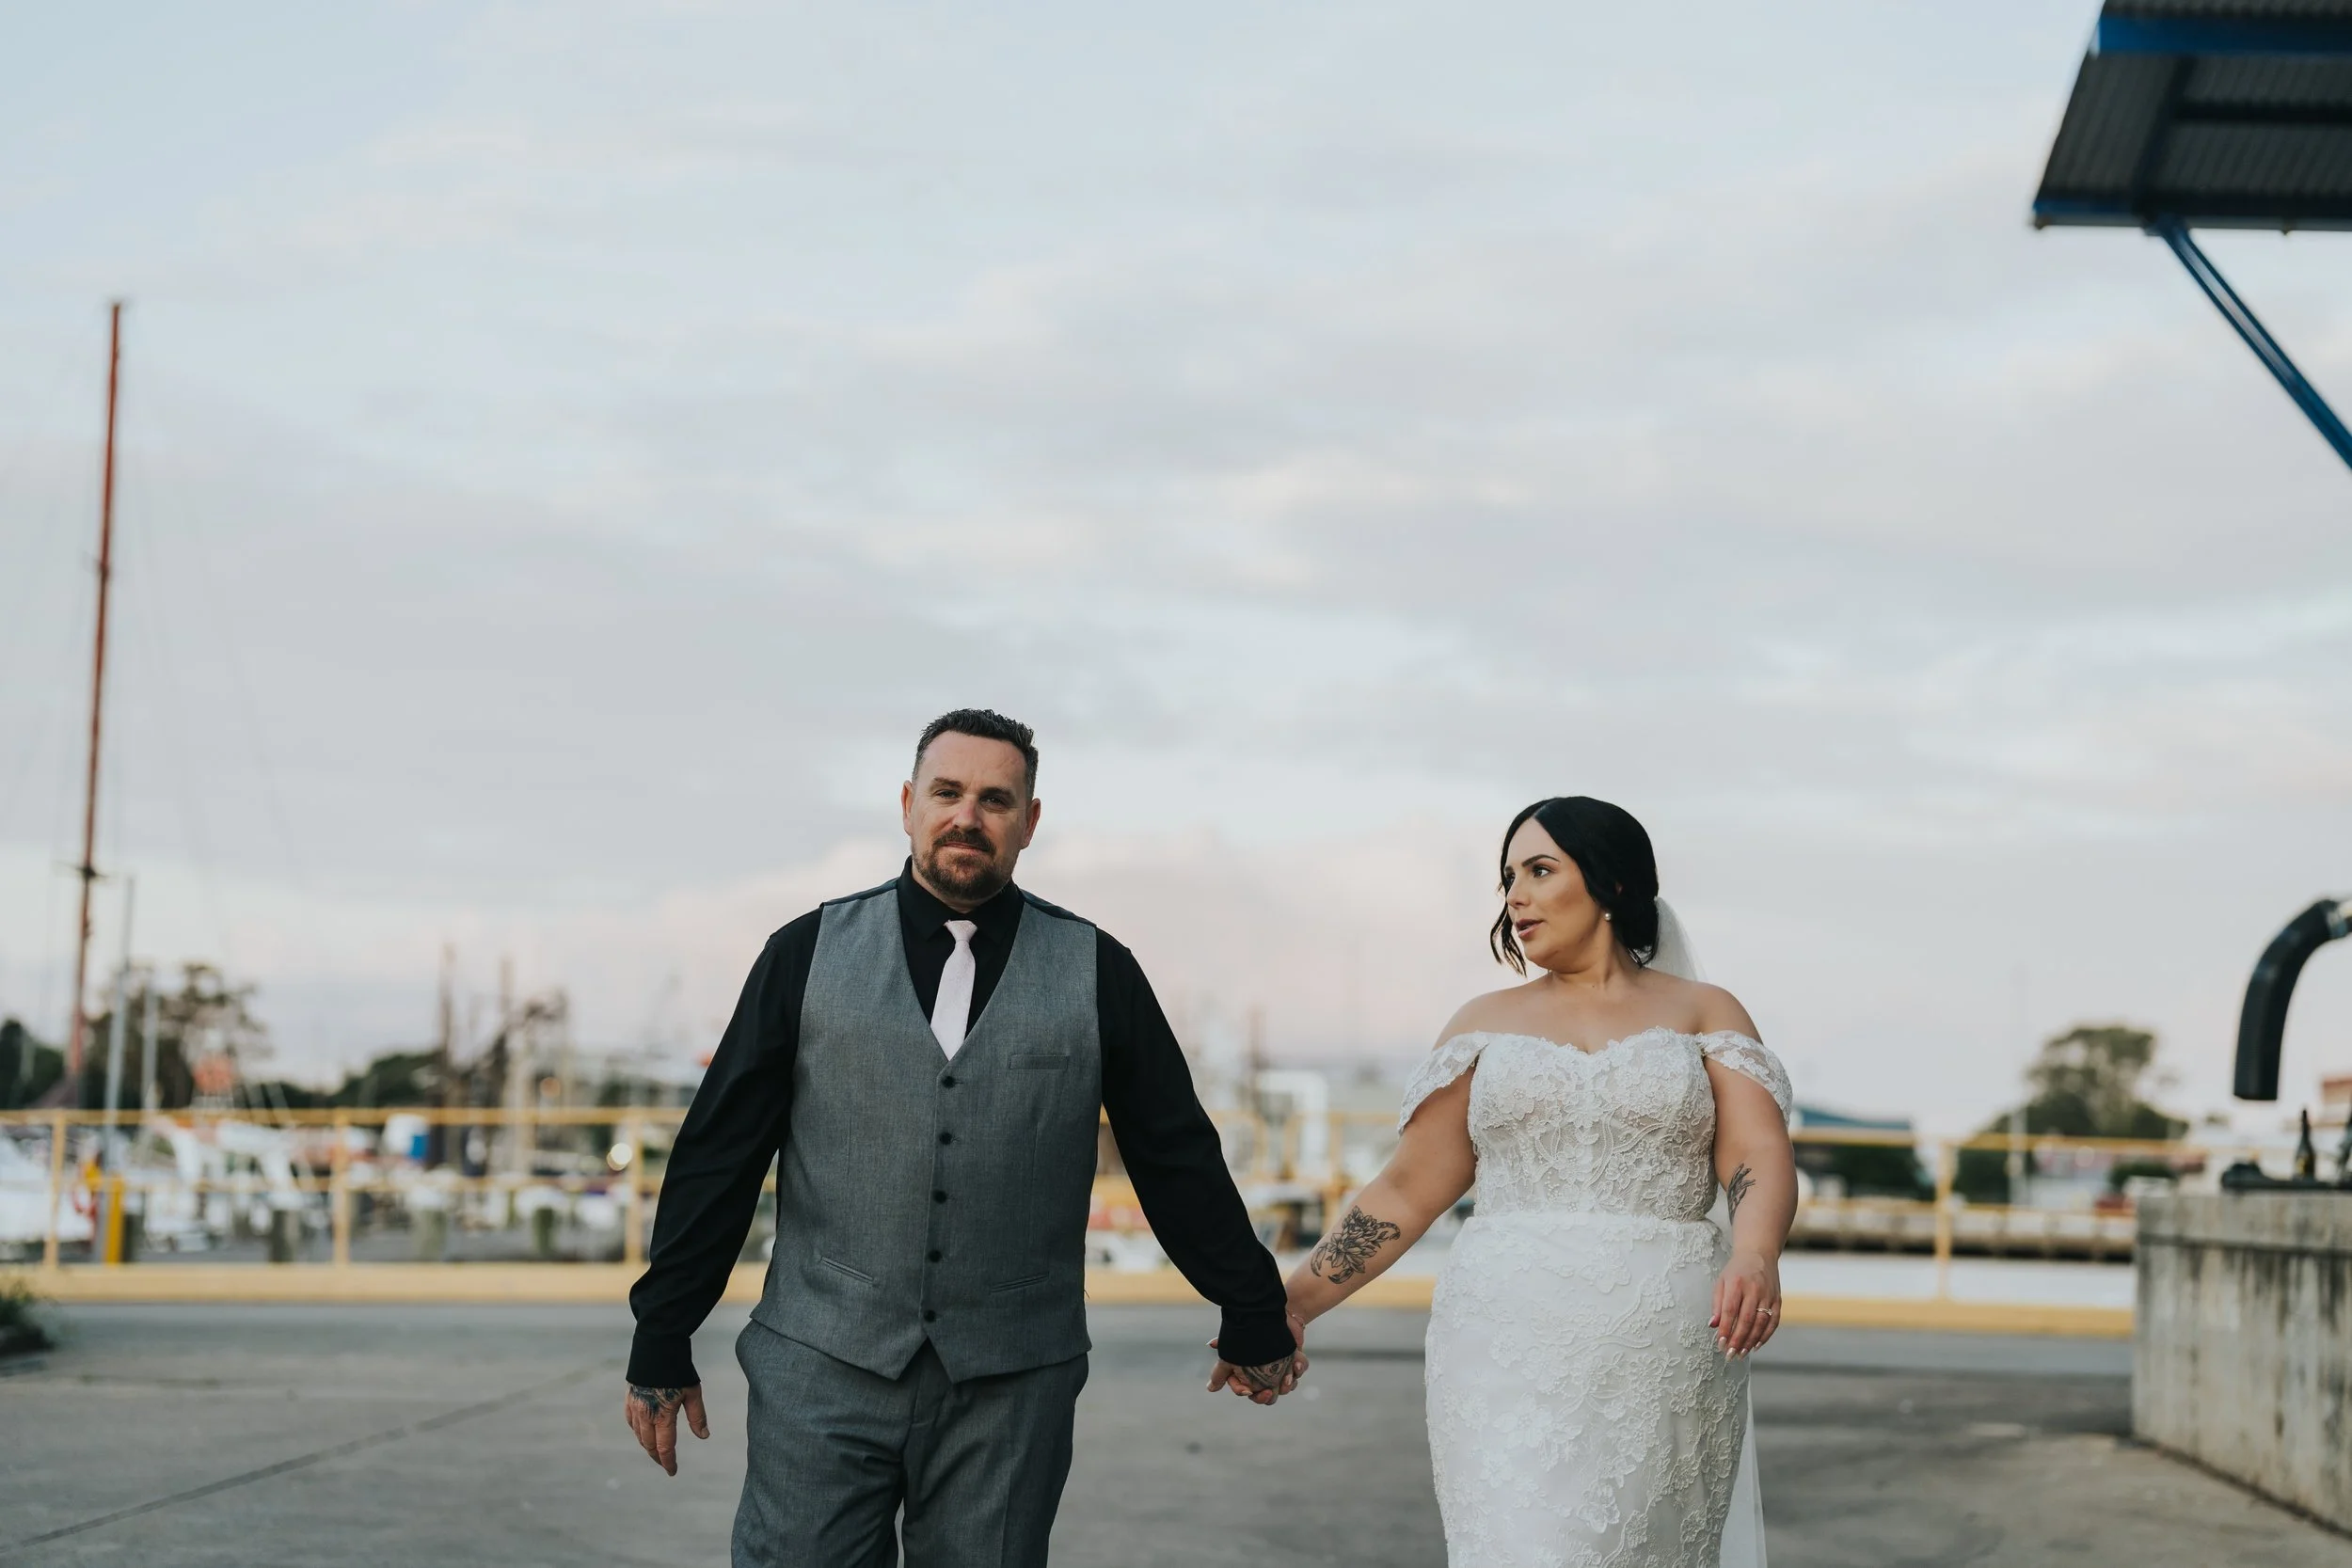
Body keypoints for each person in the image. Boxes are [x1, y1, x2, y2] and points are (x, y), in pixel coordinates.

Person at [622, 707, 1299, 1567]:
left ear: (1030, 821)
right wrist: (662, 1331)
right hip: (821, 1366)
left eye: (994, 798)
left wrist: (1251, 1307)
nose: (966, 816)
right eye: (946, 792)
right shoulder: (805, 951)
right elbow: (719, 1154)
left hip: (1013, 1384)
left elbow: (1176, 1155)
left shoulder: (1099, 969)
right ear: (908, 803)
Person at [1281, 796, 1796, 1568]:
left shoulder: (1704, 1011)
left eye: (1540, 869)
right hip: (1504, 1339)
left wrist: (1754, 1254)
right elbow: (1406, 1189)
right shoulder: (1482, 1023)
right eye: (1508, 876)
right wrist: (1289, 1306)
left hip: (1663, 1341)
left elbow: (1756, 1149)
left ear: (1613, 883)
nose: (1514, 894)